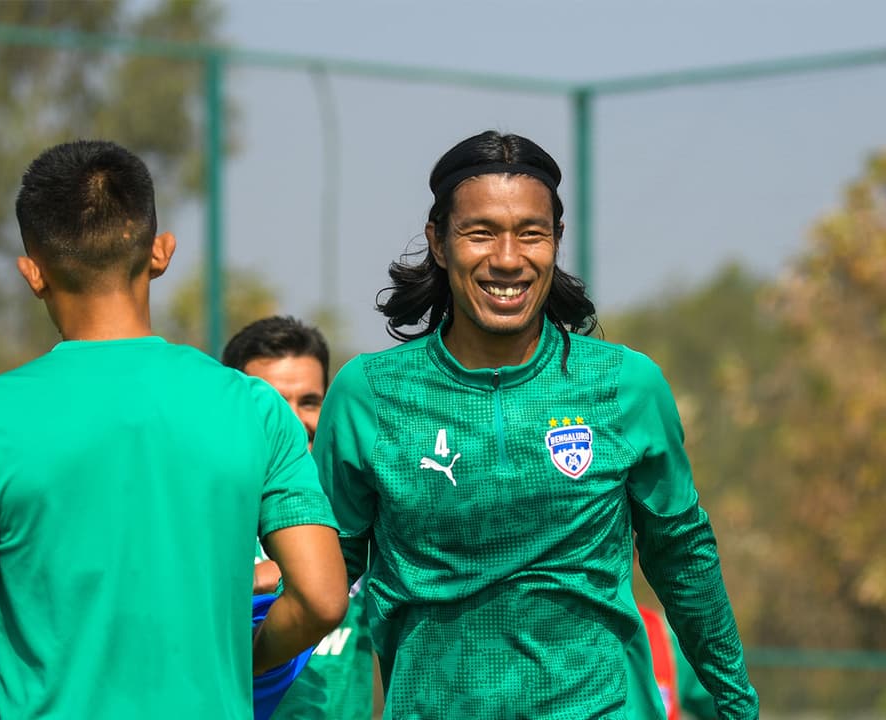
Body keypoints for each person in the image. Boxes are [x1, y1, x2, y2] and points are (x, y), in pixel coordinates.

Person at [312, 130, 759, 718]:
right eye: (480, 233)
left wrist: (737, 706)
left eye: (531, 233)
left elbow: (683, 558)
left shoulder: (625, 385)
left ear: (556, 242)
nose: (507, 258)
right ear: (439, 243)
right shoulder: (369, 395)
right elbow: (319, 580)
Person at [0, 140, 347, 720]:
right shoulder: (255, 408)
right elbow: (323, 597)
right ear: (161, 253)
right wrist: (245, 660)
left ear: (32, 273)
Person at [223, 316, 378, 720]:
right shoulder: (210, 521)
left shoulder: (359, 516)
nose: (293, 421)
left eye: (308, 401)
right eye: (274, 403)